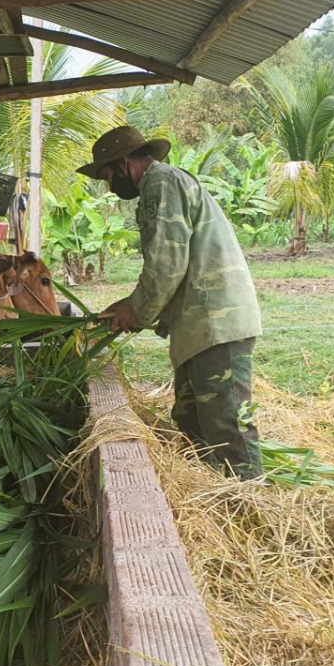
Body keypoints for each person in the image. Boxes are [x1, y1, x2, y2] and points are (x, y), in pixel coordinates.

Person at [77, 126, 264, 480]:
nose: (109, 187)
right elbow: (169, 264)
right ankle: (215, 494)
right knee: (192, 418)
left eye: (107, 176)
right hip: (199, 323)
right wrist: (130, 304)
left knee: (226, 425)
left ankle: (250, 503)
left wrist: (136, 310)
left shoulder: (160, 183)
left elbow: (166, 262)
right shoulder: (161, 184)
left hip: (215, 320)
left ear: (123, 163)